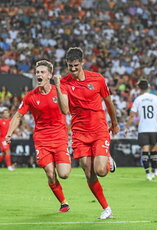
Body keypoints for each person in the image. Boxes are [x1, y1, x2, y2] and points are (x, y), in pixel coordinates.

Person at [53, 47, 120, 219]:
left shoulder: (97, 79)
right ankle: (107, 208)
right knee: (88, 171)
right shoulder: (65, 82)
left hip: (99, 130)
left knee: (101, 171)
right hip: (79, 133)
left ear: (82, 62)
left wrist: (115, 122)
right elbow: (64, 109)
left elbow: (109, 102)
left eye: (75, 65)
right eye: (70, 66)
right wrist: (59, 87)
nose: (73, 69)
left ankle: (107, 160)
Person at [6, 60, 71, 212]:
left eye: (42, 72)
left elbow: (66, 110)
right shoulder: (30, 96)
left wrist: (59, 86)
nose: (39, 75)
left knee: (64, 174)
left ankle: (60, 169)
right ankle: (63, 202)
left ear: (49, 75)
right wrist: (9, 133)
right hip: (42, 139)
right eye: (37, 72)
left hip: (60, 137)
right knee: (50, 173)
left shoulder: (59, 90)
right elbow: (17, 116)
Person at [125, 79, 157, 181]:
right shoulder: (156, 98)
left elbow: (132, 115)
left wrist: (127, 127)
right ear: (149, 87)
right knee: (154, 151)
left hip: (143, 129)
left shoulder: (138, 99)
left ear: (139, 88)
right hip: (154, 128)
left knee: (145, 151)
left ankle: (148, 173)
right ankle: (155, 170)